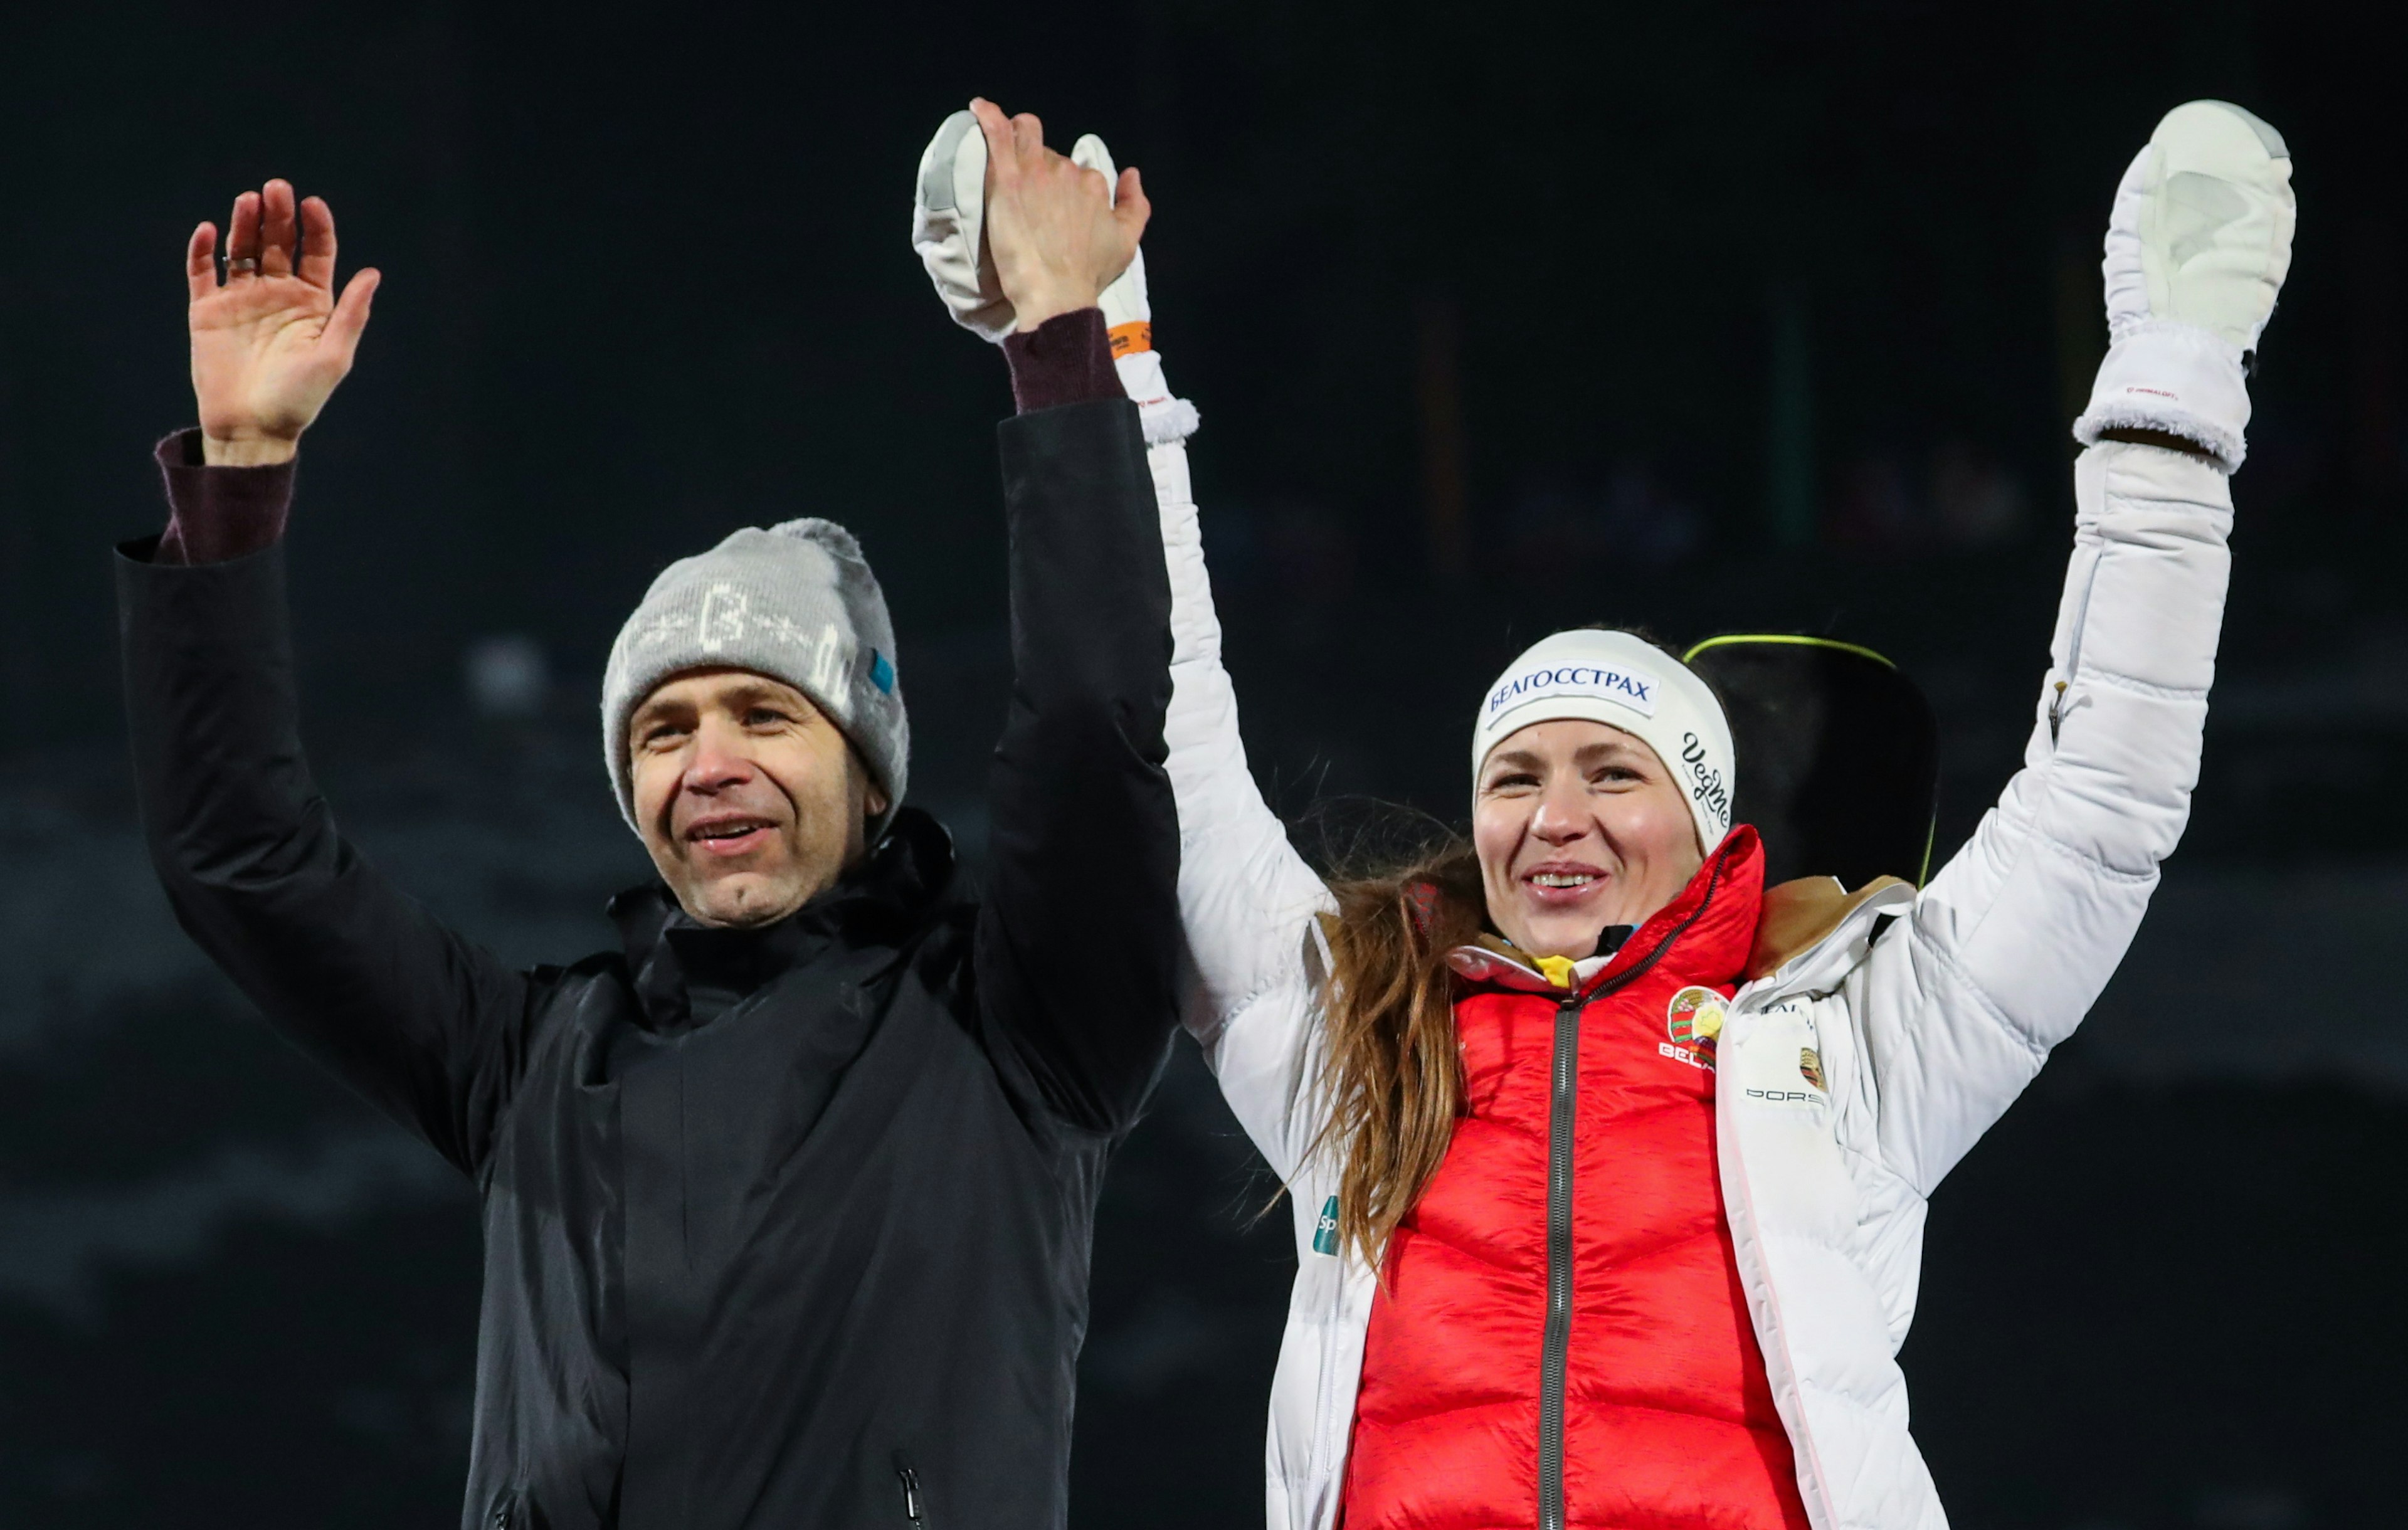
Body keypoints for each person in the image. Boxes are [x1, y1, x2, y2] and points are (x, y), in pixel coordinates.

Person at [914, 100, 2293, 1527]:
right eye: (1515, 777)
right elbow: (1176, 728)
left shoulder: (1849, 1049)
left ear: (1708, 829)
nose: (1552, 814)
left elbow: (2102, 801)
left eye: (1611, 772)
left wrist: (2172, 394)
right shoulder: (1360, 1043)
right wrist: (1089, 340)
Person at [119, 103, 1176, 1530]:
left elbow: (1092, 716)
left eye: (766, 714)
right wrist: (238, 479)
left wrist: (1059, 339)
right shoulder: (532, 1061)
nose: (711, 761)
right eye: (664, 733)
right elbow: (243, 861)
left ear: (871, 771)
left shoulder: (1019, 1023)